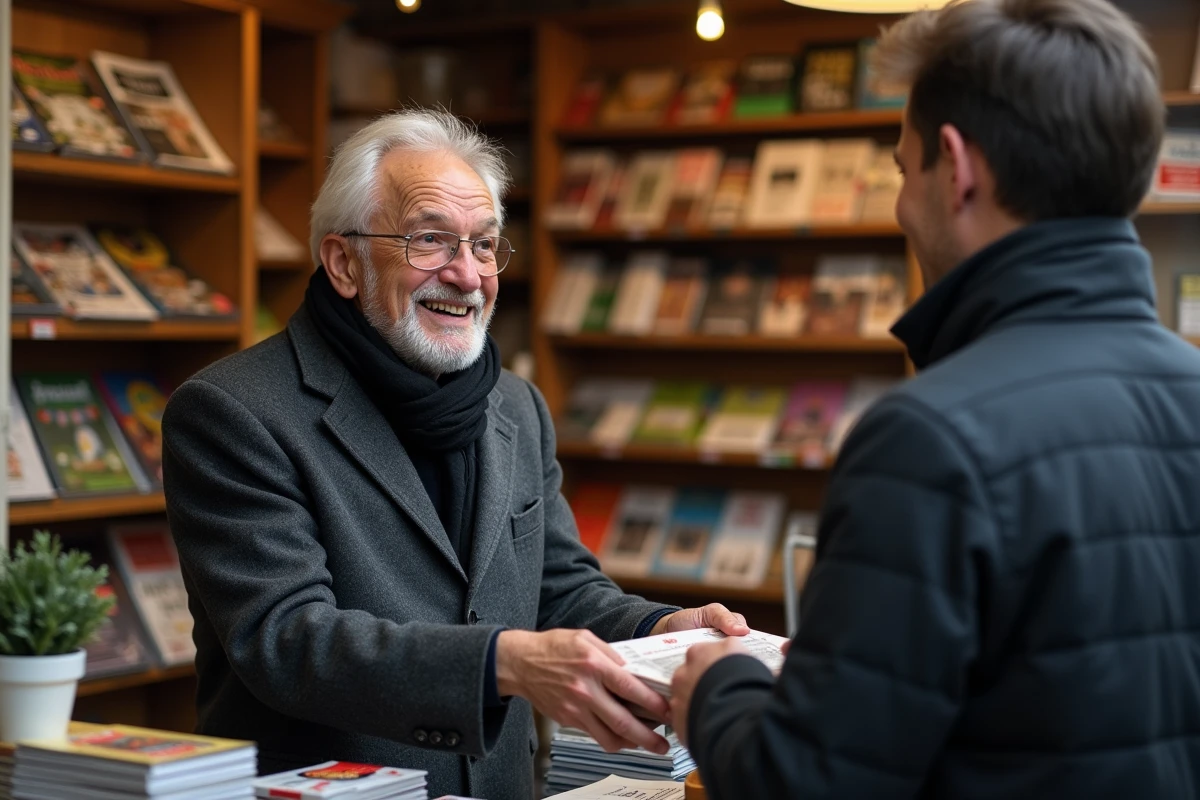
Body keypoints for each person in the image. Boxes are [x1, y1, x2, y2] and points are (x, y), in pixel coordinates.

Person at [670, 0, 1200, 797]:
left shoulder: (930, 439)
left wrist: (715, 689)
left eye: (901, 167)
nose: (901, 203)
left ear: (955, 167)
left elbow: (810, 784)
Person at [161, 109, 747, 800]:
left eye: (485, 244)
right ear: (344, 262)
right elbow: (288, 641)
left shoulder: (516, 405)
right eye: (431, 240)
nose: (468, 276)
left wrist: (657, 628)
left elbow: (558, 588)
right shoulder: (233, 412)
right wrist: (502, 662)